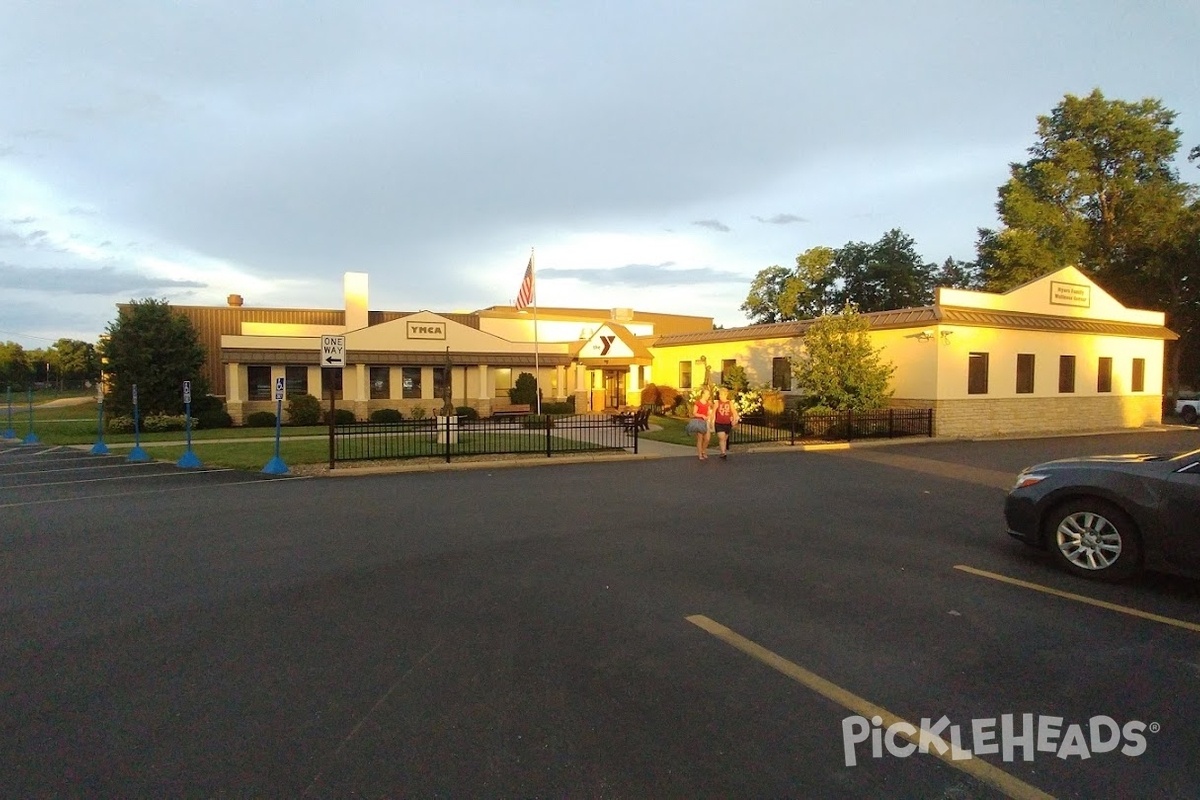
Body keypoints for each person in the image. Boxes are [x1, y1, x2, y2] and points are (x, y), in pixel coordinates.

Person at [713, 386, 740, 459]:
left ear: (725, 395)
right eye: (719, 394)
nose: (720, 396)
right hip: (719, 423)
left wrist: (735, 419)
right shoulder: (717, 403)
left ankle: (723, 451)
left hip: (727, 423)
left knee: (724, 438)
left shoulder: (730, 403)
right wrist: (712, 422)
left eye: (721, 394)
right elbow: (713, 412)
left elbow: (734, 412)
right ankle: (723, 452)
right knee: (721, 437)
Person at [687, 388, 713, 460]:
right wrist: (702, 416)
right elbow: (694, 413)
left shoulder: (708, 404)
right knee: (700, 438)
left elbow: (709, 412)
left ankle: (703, 450)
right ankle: (700, 454)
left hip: (705, 422)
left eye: (709, 394)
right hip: (698, 422)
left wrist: (708, 416)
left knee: (707, 438)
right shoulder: (698, 403)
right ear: (703, 394)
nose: (708, 395)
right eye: (707, 394)